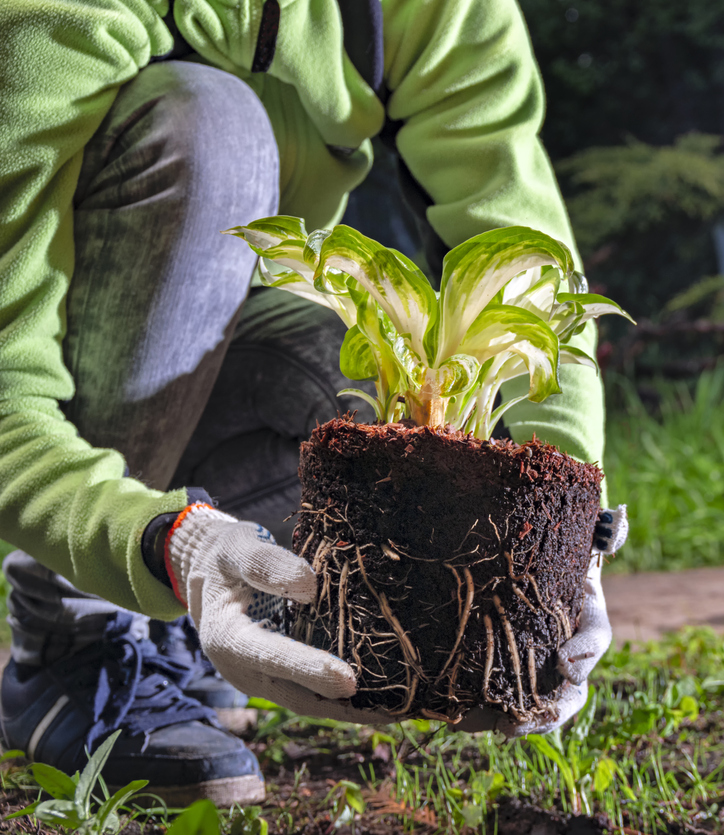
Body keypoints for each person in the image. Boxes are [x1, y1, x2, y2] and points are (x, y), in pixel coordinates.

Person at [0, 0, 621, 806]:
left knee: (382, 422)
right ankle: (72, 632)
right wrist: (165, 544)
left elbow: (530, 268)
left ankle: (181, 629)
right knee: (214, 126)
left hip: (221, 349)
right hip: (57, 349)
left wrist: (573, 534)